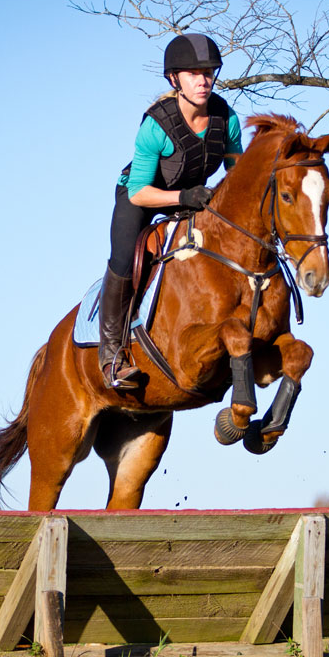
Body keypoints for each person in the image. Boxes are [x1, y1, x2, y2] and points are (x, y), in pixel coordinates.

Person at [98, 33, 243, 390]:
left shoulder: (227, 118)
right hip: (142, 196)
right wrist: (184, 197)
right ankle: (111, 354)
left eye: (209, 72)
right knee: (123, 258)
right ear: (174, 79)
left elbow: (237, 177)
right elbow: (140, 192)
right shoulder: (156, 125)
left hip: (196, 197)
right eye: (193, 73)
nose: (203, 80)